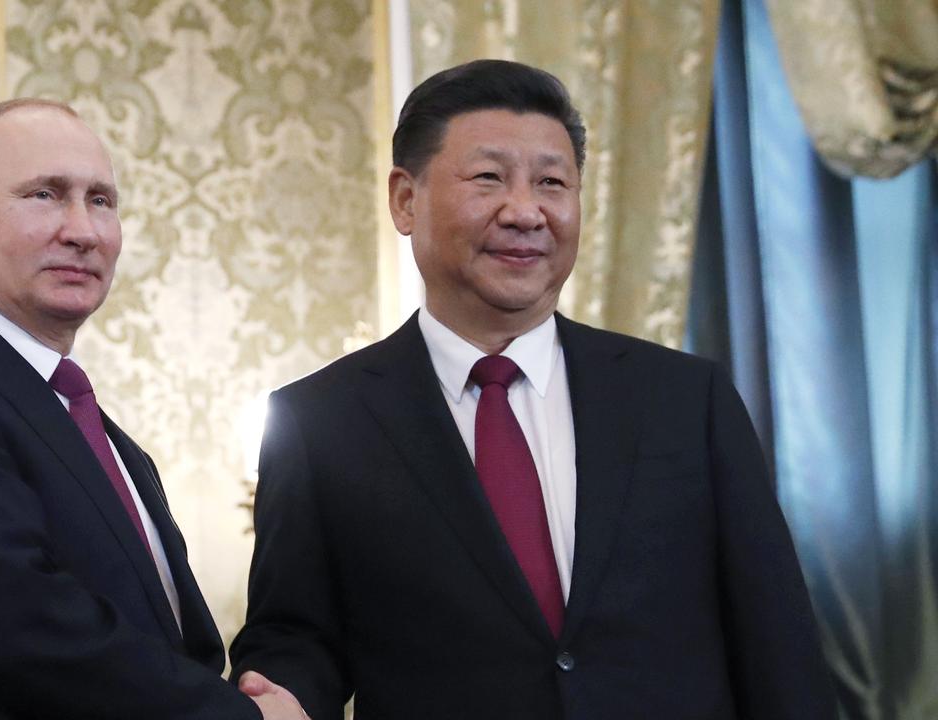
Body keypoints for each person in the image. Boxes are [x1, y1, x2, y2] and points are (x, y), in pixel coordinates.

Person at [229, 60, 837, 719]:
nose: (526, 212)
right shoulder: (320, 420)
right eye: (489, 178)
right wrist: (280, 692)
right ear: (406, 199)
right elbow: (295, 634)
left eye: (553, 183)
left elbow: (776, 637)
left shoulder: (687, 399)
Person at [0, 98, 305, 719]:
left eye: (100, 200)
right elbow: (15, 628)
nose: (82, 230)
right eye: (45, 195)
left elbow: (179, 649)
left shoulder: (116, 446)